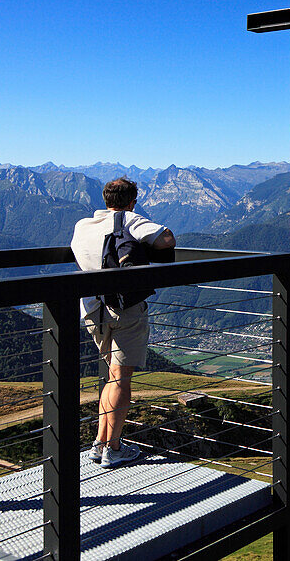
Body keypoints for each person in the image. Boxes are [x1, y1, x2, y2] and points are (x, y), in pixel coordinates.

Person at [70, 177, 175, 468]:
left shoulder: (82, 225)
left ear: (105, 199)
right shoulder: (129, 219)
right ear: (131, 200)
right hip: (124, 308)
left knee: (111, 377)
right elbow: (166, 240)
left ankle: (99, 442)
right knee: (121, 379)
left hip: (92, 308)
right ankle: (114, 449)